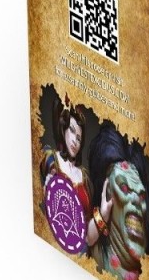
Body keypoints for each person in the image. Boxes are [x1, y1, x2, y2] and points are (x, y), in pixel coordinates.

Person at [88, 124, 149, 280]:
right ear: (107, 194)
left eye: (141, 196)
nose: (136, 200)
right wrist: (101, 216)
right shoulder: (90, 260)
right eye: (124, 188)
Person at [41, 95, 110, 250]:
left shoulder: (84, 177)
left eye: (79, 138)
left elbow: (88, 238)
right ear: (63, 129)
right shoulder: (50, 159)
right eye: (72, 131)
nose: (75, 141)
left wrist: (104, 213)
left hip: (80, 252)